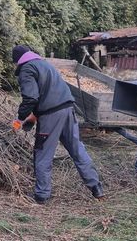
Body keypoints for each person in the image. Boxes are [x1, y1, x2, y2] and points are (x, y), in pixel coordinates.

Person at [12, 44, 104, 204]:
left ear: (17, 61)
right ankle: (97, 188)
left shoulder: (26, 69)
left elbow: (31, 98)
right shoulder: (45, 64)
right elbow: (45, 94)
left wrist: (19, 119)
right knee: (77, 149)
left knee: (42, 153)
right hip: (68, 110)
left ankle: (41, 195)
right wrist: (32, 118)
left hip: (51, 116)